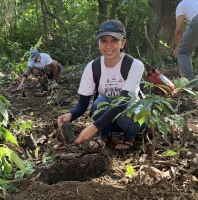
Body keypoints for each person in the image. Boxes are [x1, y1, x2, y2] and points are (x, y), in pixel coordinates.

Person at [57, 20, 146, 150]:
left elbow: (123, 101)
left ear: (123, 43)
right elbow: (83, 103)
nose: (108, 46)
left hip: (132, 114)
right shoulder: (93, 67)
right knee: (100, 103)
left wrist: (94, 127)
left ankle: (129, 137)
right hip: (107, 116)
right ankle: (104, 136)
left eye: (114, 40)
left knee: (126, 119)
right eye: (104, 41)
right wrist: (70, 115)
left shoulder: (134, 65)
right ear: (98, 43)